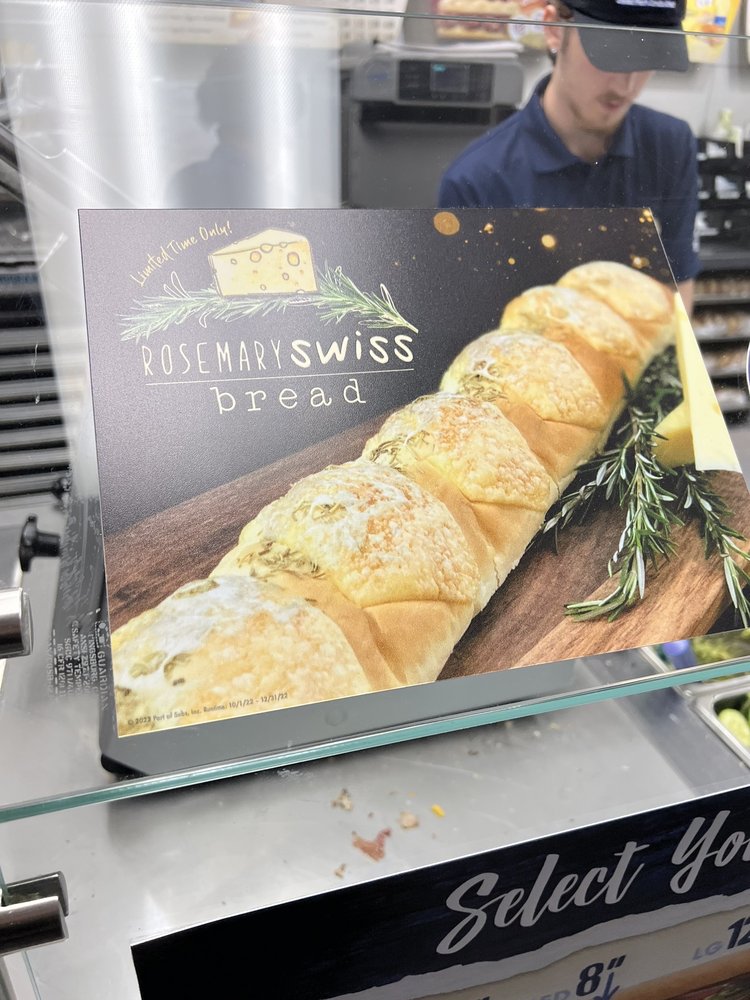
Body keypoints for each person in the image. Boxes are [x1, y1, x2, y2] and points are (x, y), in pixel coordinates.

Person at [437, 0, 699, 311]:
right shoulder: (477, 181)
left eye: (649, 56)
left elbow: (677, 286)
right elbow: (472, 323)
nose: (627, 84)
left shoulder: (670, 144)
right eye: (610, 53)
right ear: (554, 30)